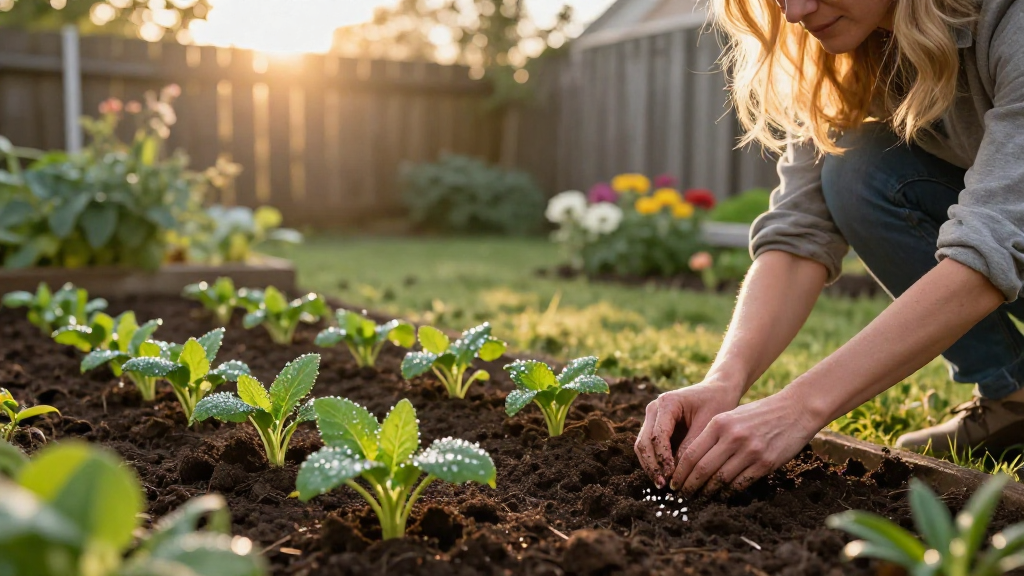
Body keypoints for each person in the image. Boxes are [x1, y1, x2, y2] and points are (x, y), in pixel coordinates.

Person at [634, 0, 1024, 495]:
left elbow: (992, 243)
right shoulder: (856, 49)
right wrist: (724, 382)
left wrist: (799, 408)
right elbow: (800, 230)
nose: (795, 12)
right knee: (857, 172)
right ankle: (1012, 397)